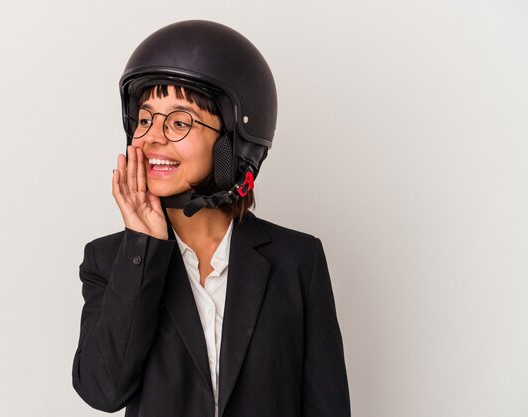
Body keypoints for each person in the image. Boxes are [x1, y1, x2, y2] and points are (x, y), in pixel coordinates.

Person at [72, 20, 350, 417]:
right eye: (145, 118)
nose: (151, 136)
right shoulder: (108, 260)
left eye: (180, 122)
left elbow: (328, 406)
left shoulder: (298, 260)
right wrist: (142, 249)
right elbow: (103, 390)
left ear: (232, 142)